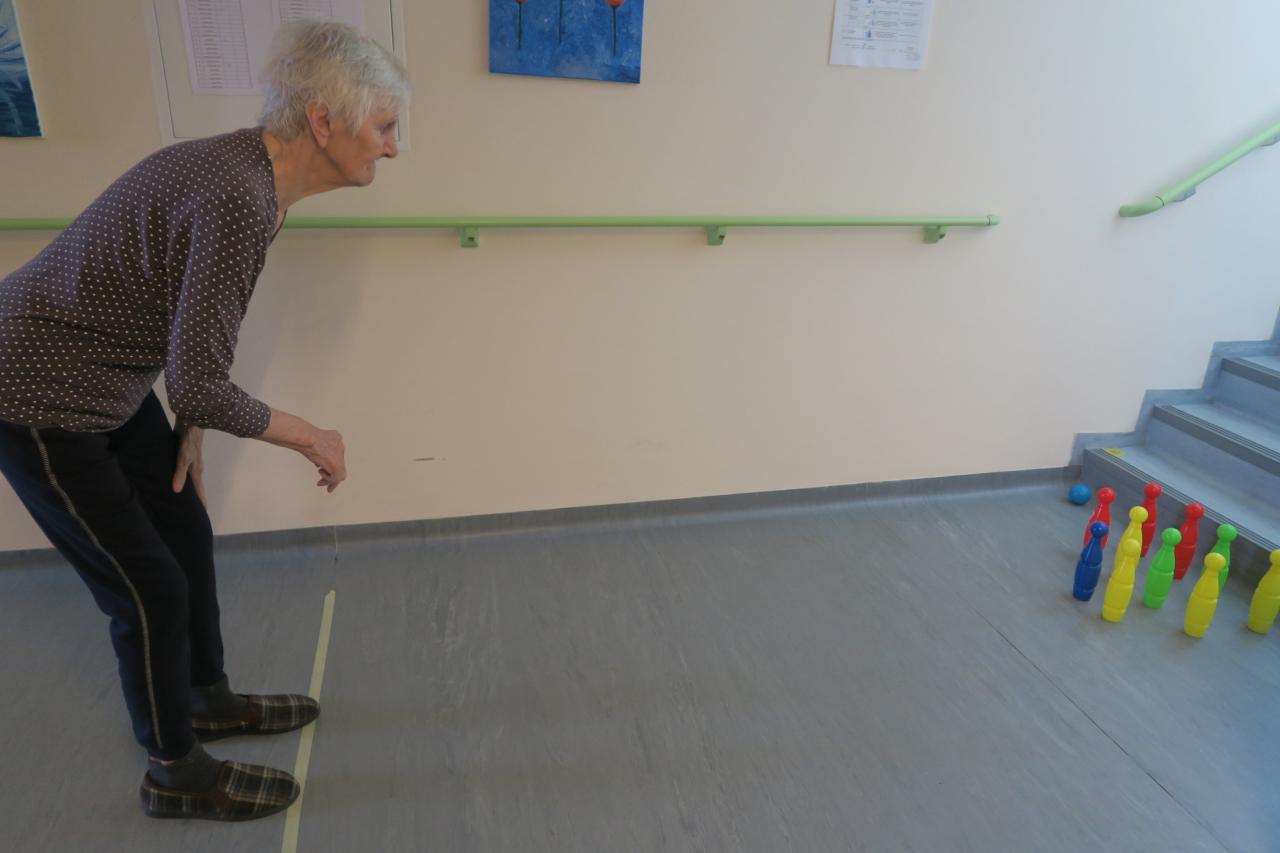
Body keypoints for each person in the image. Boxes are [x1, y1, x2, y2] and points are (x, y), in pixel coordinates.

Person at [0, 20, 408, 821]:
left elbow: (195, 336)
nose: (394, 147)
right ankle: (173, 771)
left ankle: (204, 695)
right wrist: (311, 435)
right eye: (386, 126)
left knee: (183, 523)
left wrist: (190, 422)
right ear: (323, 120)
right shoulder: (237, 195)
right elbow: (200, 376)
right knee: (146, 587)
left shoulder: (255, 179)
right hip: (35, 391)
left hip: (108, 378)